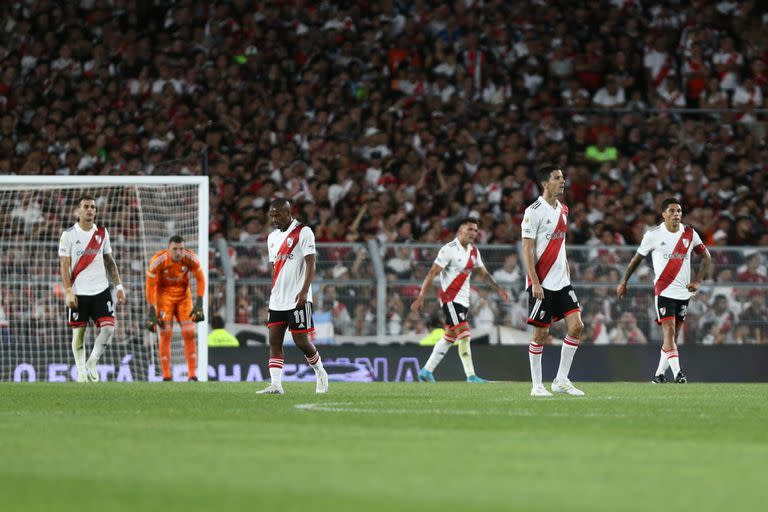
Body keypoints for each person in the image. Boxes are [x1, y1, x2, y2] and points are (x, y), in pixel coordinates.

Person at [616, 198, 712, 383]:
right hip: (664, 291)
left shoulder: (690, 234)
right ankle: (678, 374)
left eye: (679, 211)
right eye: (672, 211)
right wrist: (623, 281)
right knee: (669, 333)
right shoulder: (653, 235)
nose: (676, 214)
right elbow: (636, 259)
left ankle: (659, 375)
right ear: (664, 215)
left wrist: (698, 280)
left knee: (673, 337)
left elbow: (706, 257)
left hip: (684, 292)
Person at [411, 217, 510, 383]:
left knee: (449, 337)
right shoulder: (448, 250)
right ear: (460, 231)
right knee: (464, 334)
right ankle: (471, 376)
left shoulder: (473, 252)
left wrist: (498, 288)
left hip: (464, 301)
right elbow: (432, 273)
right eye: (469, 229)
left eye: (476, 230)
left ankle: (426, 371)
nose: (473, 233)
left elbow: (484, 274)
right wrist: (421, 296)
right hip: (450, 299)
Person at [521, 165, 585, 397]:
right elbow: (527, 250)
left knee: (577, 326)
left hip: (562, 282)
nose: (562, 181)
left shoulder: (564, 209)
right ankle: (537, 385)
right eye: (557, 178)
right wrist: (535, 282)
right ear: (545, 183)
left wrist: (567, 273)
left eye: (563, 178)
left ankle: (560, 380)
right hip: (542, 282)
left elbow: (561, 246)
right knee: (541, 334)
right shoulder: (533, 211)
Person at [258, 198, 328, 394]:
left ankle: (320, 372)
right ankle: (276, 385)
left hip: (298, 297)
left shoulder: (303, 232)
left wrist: (305, 290)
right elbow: (275, 268)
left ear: (288, 213)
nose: (274, 219)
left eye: (277, 215)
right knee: (274, 340)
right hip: (277, 299)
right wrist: (273, 292)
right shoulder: (272, 238)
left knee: (301, 341)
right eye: (271, 215)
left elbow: (311, 262)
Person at [58, 194, 127, 382]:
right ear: (78, 211)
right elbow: (64, 265)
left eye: (93, 207)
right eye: (86, 206)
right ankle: (81, 370)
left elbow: (109, 261)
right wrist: (69, 291)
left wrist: (119, 285)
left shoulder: (102, 234)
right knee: (79, 334)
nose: (90, 210)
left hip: (101, 290)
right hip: (79, 292)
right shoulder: (69, 235)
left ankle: (92, 361)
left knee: (109, 329)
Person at [145, 236, 206, 381]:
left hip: (184, 297)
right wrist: (152, 309)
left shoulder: (191, 258)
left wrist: (199, 302)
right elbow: (150, 285)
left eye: (181, 249)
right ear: (168, 249)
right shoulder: (158, 260)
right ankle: (166, 376)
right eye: (175, 249)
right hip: (163, 297)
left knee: (190, 333)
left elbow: (201, 278)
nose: (178, 252)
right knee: (165, 334)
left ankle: (192, 375)